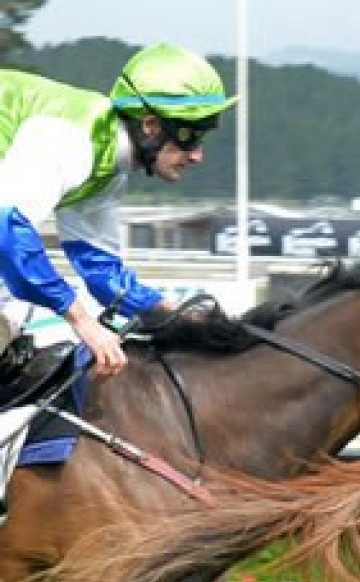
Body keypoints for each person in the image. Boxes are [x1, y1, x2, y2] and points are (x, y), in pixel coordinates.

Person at [0, 42, 238, 382]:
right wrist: (83, 322)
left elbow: (101, 271)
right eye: (189, 136)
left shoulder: (109, 168)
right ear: (151, 126)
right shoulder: (71, 140)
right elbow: (7, 233)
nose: (198, 155)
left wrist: (173, 314)